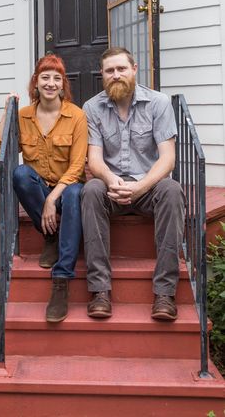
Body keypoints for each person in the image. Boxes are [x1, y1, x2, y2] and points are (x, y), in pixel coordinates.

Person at [81, 47, 185, 321]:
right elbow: (94, 159)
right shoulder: (92, 108)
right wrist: (110, 179)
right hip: (112, 187)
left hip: (149, 187)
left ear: (134, 69)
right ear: (102, 75)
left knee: (172, 190)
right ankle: (100, 291)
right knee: (90, 189)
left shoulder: (158, 103)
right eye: (109, 71)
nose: (116, 75)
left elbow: (168, 160)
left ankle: (165, 293)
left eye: (121, 69)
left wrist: (140, 187)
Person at [0, 54, 88, 323]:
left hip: (65, 190)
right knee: (21, 173)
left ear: (62, 84)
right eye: (45, 77)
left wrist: (51, 200)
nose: (50, 83)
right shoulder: (24, 117)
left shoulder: (76, 116)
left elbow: (78, 167)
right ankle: (50, 238)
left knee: (73, 192)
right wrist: (6, 113)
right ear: (36, 82)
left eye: (56, 78)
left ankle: (61, 280)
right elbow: (0, 152)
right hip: (40, 191)